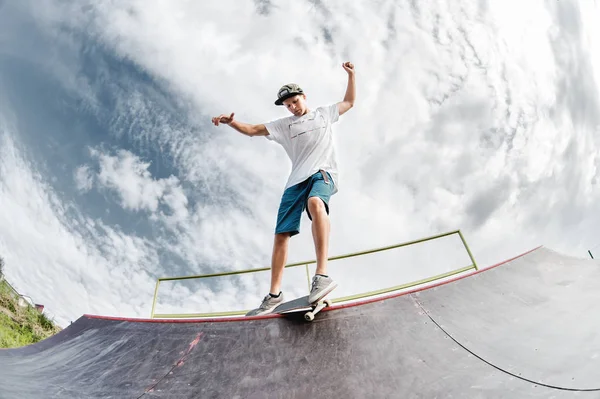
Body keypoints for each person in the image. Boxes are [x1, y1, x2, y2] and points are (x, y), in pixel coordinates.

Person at [211, 62, 356, 316]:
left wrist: (351, 76)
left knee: (315, 203)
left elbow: (349, 102)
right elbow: (253, 130)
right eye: (288, 105)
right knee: (281, 234)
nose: (292, 107)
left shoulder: (324, 113)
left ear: (304, 97)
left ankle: (321, 275)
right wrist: (231, 123)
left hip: (323, 173)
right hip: (295, 181)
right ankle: (274, 295)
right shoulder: (283, 125)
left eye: (295, 102)